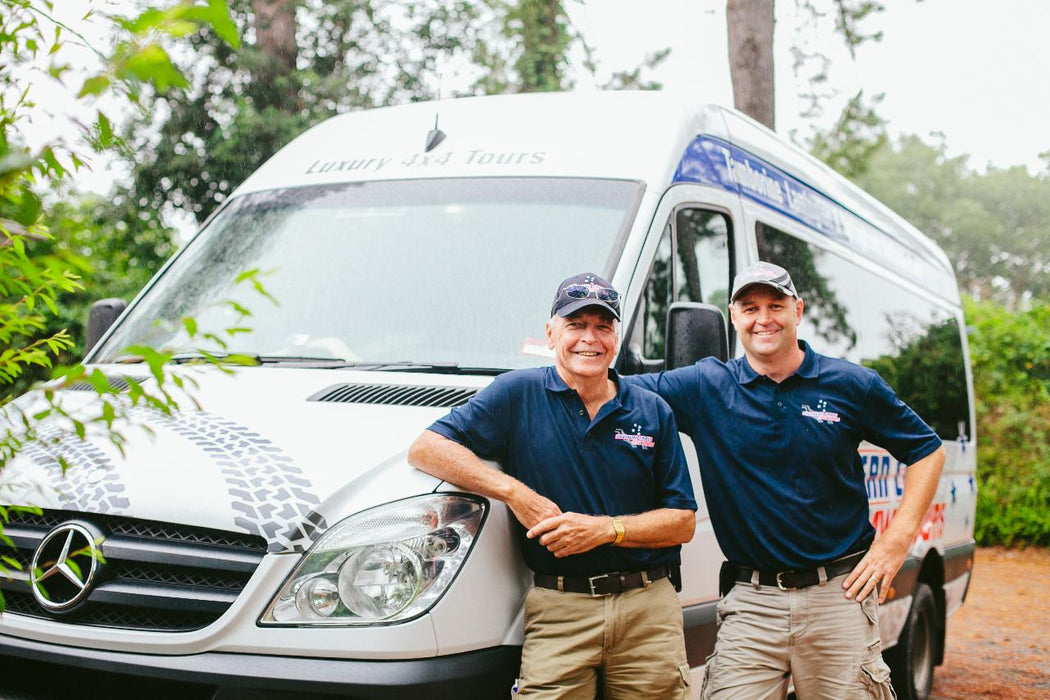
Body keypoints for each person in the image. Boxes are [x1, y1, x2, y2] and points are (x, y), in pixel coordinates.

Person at [626, 261, 946, 699]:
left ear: (798, 309)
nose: (764, 319)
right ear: (733, 316)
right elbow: (614, 390)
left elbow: (927, 450)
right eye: (750, 307)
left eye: (775, 305)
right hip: (751, 603)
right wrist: (549, 366)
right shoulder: (705, 386)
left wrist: (896, 542)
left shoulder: (851, 384)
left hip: (840, 595)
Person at [408, 272, 697, 700]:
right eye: (576, 324)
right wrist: (513, 492)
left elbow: (682, 522)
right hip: (560, 607)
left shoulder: (652, 410)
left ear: (616, 337)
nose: (590, 339)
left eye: (602, 326)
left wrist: (605, 529)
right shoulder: (516, 393)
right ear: (550, 332)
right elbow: (427, 448)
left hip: (648, 607)